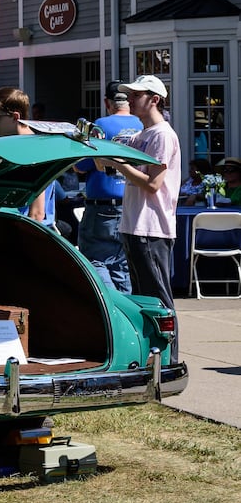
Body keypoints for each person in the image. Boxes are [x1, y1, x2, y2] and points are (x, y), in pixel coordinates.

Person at [97, 76, 181, 325]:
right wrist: (94, 146)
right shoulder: (141, 135)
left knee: (159, 302)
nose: (129, 100)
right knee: (143, 300)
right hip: (134, 226)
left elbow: (153, 184)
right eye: (129, 95)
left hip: (152, 228)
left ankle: (168, 361)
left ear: (154, 100)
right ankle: (152, 358)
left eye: (136, 95)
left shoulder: (163, 135)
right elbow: (103, 168)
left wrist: (120, 163)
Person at [73, 81, 143, 292]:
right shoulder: (143, 125)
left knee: (95, 260)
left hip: (102, 207)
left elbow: (80, 166)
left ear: (107, 102)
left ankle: (110, 306)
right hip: (131, 203)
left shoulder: (100, 125)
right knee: (121, 265)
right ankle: (126, 312)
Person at [0, 86, 56, 227]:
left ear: (15, 117)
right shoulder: (12, 148)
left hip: (29, 234)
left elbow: (37, 214)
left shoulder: (36, 151)